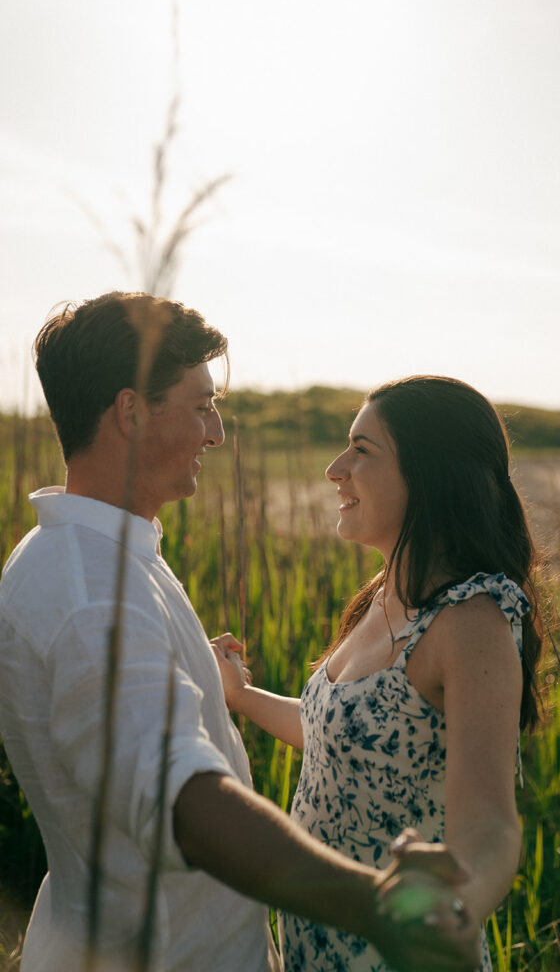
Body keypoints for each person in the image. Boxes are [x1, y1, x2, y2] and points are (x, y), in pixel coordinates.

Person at [0, 294, 474, 972]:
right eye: (200, 406)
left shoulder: (83, 556)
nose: (216, 431)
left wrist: (202, 681)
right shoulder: (92, 595)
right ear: (130, 413)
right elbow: (179, 797)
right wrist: (368, 904)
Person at [214, 374, 544, 972]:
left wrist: (452, 906)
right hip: (318, 941)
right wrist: (241, 696)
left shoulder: (472, 621)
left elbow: (491, 824)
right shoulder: (381, 597)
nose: (334, 468)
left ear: (430, 473)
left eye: (362, 450)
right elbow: (343, 736)